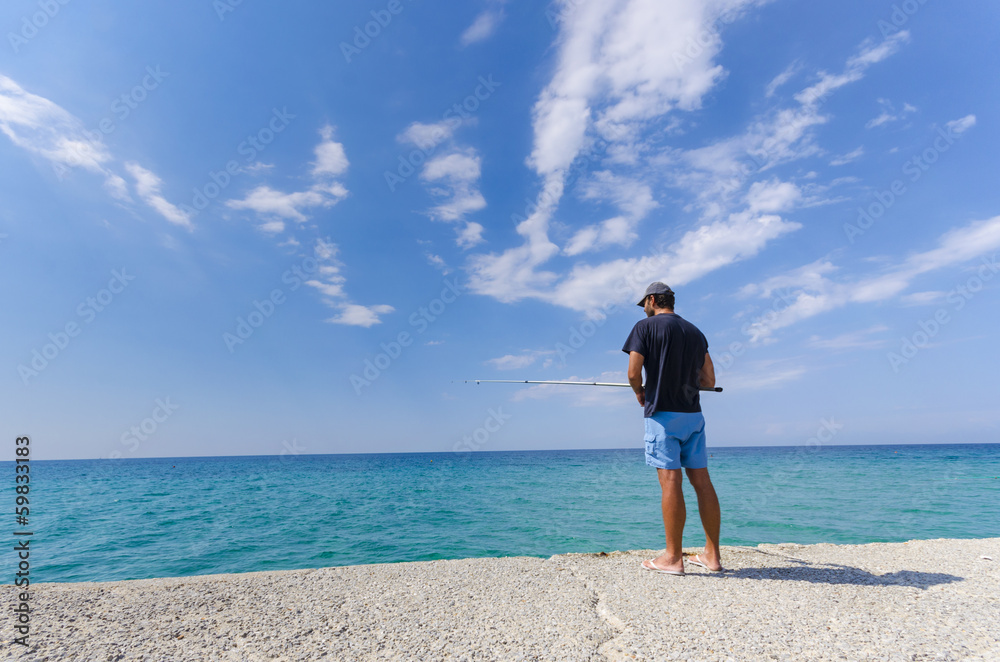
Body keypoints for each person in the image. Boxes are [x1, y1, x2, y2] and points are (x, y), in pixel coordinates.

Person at [622, 282, 723, 576]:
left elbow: (632, 372)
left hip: (663, 417)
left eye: (645, 304)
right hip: (693, 416)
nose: (644, 309)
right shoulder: (695, 332)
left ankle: (672, 558)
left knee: (670, 482)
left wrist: (640, 392)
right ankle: (712, 557)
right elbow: (708, 380)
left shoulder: (645, 327)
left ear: (653, 300)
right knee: (702, 482)